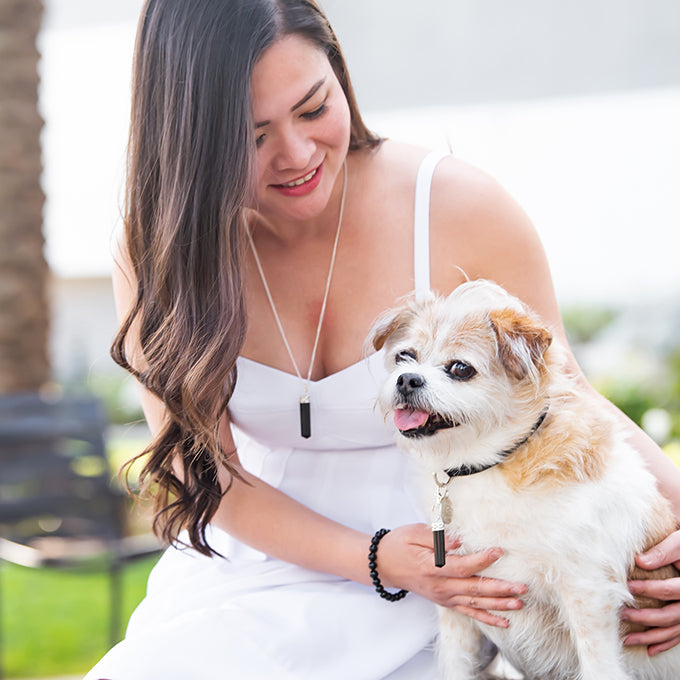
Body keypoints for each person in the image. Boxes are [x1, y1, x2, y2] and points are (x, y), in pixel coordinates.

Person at [85, 0, 680, 677]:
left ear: (339, 71)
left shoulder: (457, 205)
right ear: (189, 142)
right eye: (251, 138)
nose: (298, 155)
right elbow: (207, 477)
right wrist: (375, 557)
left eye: (313, 109)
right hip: (259, 572)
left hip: (465, 565)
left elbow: (566, 395)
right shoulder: (156, 251)